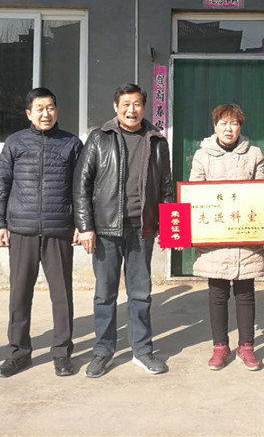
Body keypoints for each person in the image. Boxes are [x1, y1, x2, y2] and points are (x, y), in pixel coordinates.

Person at [73, 83, 173, 378]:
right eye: (126, 104)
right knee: (105, 294)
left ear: (144, 107)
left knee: (140, 293)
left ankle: (142, 350)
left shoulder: (157, 140)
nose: (132, 110)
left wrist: (169, 228)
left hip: (142, 229)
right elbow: (81, 185)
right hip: (105, 229)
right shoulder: (99, 138)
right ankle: (103, 351)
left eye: (137, 104)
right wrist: (85, 226)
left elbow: (166, 187)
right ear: (116, 107)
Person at [0, 88, 83, 378]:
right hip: (22, 229)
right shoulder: (15, 142)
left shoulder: (71, 143)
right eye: (40, 109)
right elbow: (2, 184)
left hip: (59, 228)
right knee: (19, 294)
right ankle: (19, 354)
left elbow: (81, 188)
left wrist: (81, 224)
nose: (46, 114)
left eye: (51, 107)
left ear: (57, 110)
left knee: (62, 295)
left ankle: (62, 353)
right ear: (29, 113)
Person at [189, 104, 264, 371]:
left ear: (240, 126)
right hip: (216, 237)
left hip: (246, 236)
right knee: (217, 293)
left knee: (245, 293)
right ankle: (220, 346)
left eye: (234, 123)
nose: (228, 128)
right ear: (215, 126)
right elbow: (194, 193)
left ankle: (246, 346)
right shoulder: (202, 155)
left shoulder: (254, 154)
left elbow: (261, 193)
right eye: (223, 123)